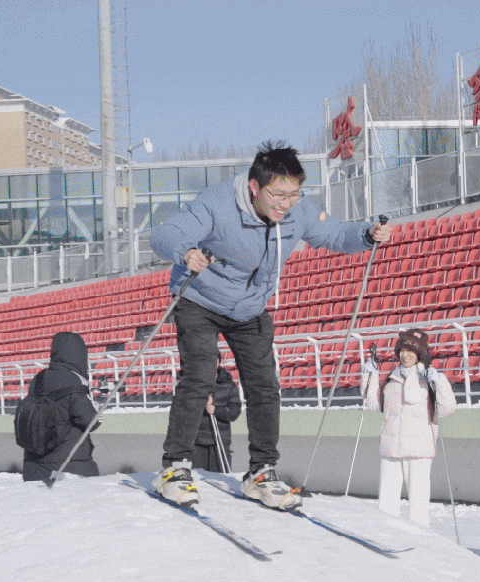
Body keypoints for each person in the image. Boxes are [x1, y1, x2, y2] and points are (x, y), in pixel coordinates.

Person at [149, 140, 392, 509]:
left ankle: (261, 472)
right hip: (199, 298)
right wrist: (187, 252)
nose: (285, 203)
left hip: (248, 307)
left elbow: (335, 234)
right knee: (199, 375)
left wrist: (366, 235)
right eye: (277, 195)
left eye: (293, 194)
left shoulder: (298, 210)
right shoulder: (218, 202)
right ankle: (175, 468)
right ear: (254, 187)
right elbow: (163, 234)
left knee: (264, 385)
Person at [362, 329, 456, 527]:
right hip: (392, 447)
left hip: (419, 449)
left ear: (420, 353)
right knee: (387, 500)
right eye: (402, 350)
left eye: (410, 351)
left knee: (418, 502)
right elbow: (374, 404)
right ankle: (388, 535)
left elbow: (448, 408)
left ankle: (420, 538)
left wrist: (439, 382)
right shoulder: (391, 379)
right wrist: (369, 376)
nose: (405, 355)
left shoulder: (428, 379)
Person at [20, 331, 100, 483]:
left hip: (33, 466)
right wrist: (97, 410)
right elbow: (90, 420)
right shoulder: (74, 378)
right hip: (69, 466)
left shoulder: (37, 379)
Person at [191, 365, 242, 473]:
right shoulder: (195, 384)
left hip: (220, 440)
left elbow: (234, 412)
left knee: (220, 479)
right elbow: (185, 409)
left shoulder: (229, 386)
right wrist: (201, 402)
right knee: (198, 479)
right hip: (198, 440)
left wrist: (215, 410)